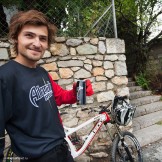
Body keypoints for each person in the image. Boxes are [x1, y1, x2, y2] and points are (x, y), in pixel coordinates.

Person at [0, 10, 94, 162]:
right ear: (16, 37)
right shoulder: (4, 77)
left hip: (61, 149)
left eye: (42, 39)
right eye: (29, 35)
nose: (37, 43)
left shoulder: (42, 72)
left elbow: (58, 97)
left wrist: (76, 93)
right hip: (37, 156)